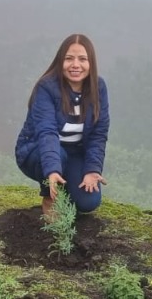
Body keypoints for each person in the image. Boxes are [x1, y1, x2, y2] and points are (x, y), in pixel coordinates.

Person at [15, 34, 110, 219]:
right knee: (57, 156)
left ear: (91, 63)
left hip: (74, 152)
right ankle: (49, 194)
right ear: (60, 61)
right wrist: (52, 169)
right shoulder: (47, 87)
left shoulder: (98, 87)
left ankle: (64, 184)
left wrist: (92, 169)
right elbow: (47, 131)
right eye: (69, 59)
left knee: (88, 202)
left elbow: (99, 133)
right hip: (36, 150)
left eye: (82, 59)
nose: (75, 65)